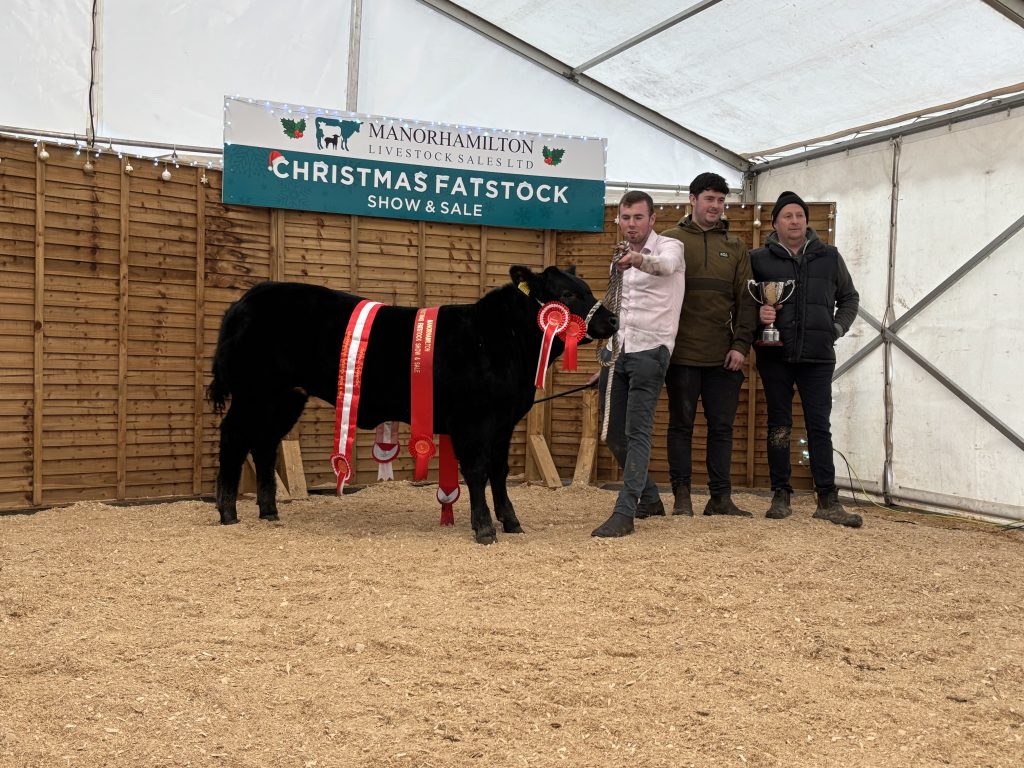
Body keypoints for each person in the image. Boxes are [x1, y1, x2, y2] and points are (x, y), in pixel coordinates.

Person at [751, 190, 862, 527]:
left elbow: (849, 297)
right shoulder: (759, 259)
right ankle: (780, 494)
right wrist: (761, 314)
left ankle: (827, 498)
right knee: (779, 426)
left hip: (818, 356)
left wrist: (837, 329)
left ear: (807, 221)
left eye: (800, 215)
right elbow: (746, 303)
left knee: (819, 426)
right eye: (788, 215)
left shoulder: (829, 256)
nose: (795, 221)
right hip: (775, 355)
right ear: (775, 223)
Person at [660, 172, 758, 518]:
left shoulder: (735, 246)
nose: (715, 205)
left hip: (723, 358)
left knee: (722, 429)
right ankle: (681, 497)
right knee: (680, 426)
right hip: (681, 356)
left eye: (721, 199)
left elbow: (747, 300)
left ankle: (720, 498)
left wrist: (740, 346)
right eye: (709, 198)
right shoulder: (670, 240)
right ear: (692, 200)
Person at [591, 190, 685, 538]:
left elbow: (666, 267)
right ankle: (649, 498)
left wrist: (638, 260)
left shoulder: (670, 247)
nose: (631, 224)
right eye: (625, 218)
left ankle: (624, 512)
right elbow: (616, 309)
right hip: (619, 353)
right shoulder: (618, 257)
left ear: (652, 219)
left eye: (638, 218)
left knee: (637, 431)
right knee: (613, 434)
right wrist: (605, 355)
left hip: (652, 351)